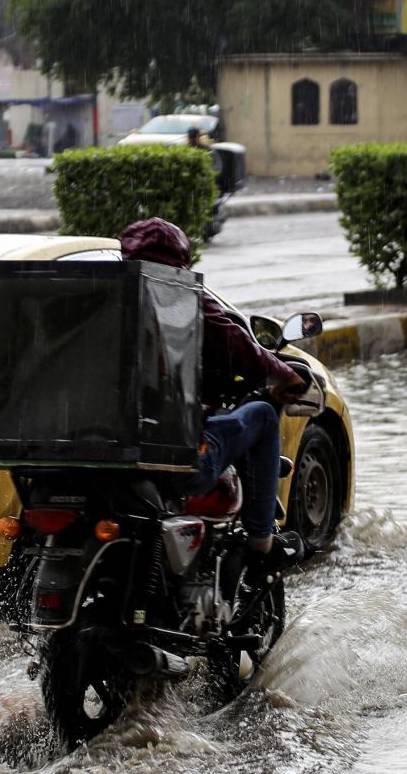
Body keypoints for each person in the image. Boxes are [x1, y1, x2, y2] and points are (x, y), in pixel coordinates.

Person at [120, 217, 308, 572]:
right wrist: (282, 374)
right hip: (163, 454)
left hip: (83, 457)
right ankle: (261, 542)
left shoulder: (98, 296)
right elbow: (231, 341)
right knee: (264, 416)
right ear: (181, 262)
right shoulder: (175, 291)